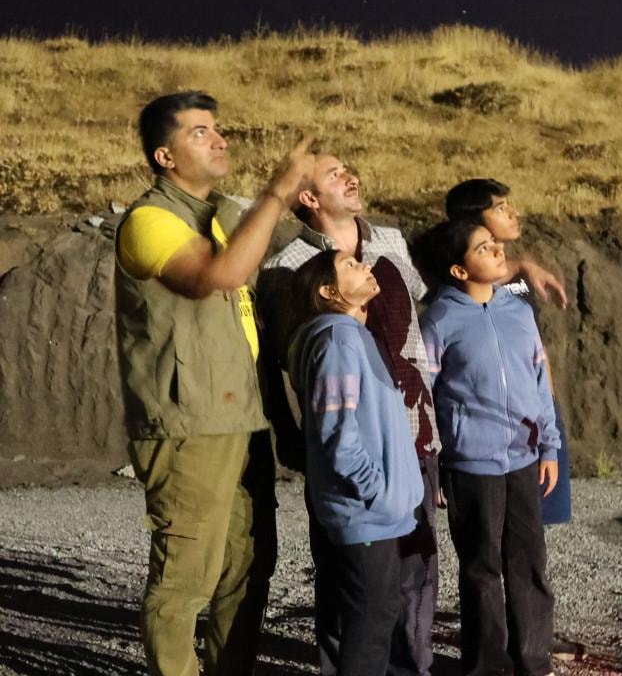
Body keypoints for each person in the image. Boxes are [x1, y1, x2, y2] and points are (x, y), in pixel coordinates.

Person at [256, 153, 566, 676]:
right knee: (352, 582)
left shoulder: (390, 242)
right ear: (308, 198)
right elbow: (281, 362)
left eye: (348, 168)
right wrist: (294, 439)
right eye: (334, 174)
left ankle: (413, 668)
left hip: (414, 437)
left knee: (416, 574)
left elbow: (457, 274)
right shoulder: (286, 269)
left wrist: (519, 267)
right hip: (353, 447)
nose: (350, 176)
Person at [114, 90, 314, 676]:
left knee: (247, 568)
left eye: (218, 128)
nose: (219, 139)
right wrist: (277, 192)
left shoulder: (223, 216)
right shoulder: (149, 221)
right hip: (188, 424)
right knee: (185, 579)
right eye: (199, 132)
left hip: (242, 417)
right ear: (164, 156)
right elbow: (215, 276)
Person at [418, 219, 560, 676]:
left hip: (524, 457)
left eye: (494, 242)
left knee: (529, 562)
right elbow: (425, 396)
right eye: (483, 247)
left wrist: (550, 446)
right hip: (470, 464)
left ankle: (533, 662)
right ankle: (487, 667)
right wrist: (435, 464)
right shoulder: (438, 321)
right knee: (481, 569)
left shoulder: (519, 311)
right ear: (459, 270)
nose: (498, 250)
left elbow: (539, 382)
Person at [287, 248, 426, 676]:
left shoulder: (351, 335)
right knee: (371, 624)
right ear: (328, 292)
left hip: (374, 512)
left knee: (376, 617)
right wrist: (378, 493)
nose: (365, 266)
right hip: (365, 512)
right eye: (350, 265)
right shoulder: (337, 339)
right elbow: (338, 433)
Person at [444, 178, 572, 526]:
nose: (514, 213)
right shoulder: (459, 290)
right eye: (500, 208)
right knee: (502, 527)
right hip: (493, 425)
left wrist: (549, 410)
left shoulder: (514, 275)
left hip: (539, 411)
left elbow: (535, 353)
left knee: (537, 525)